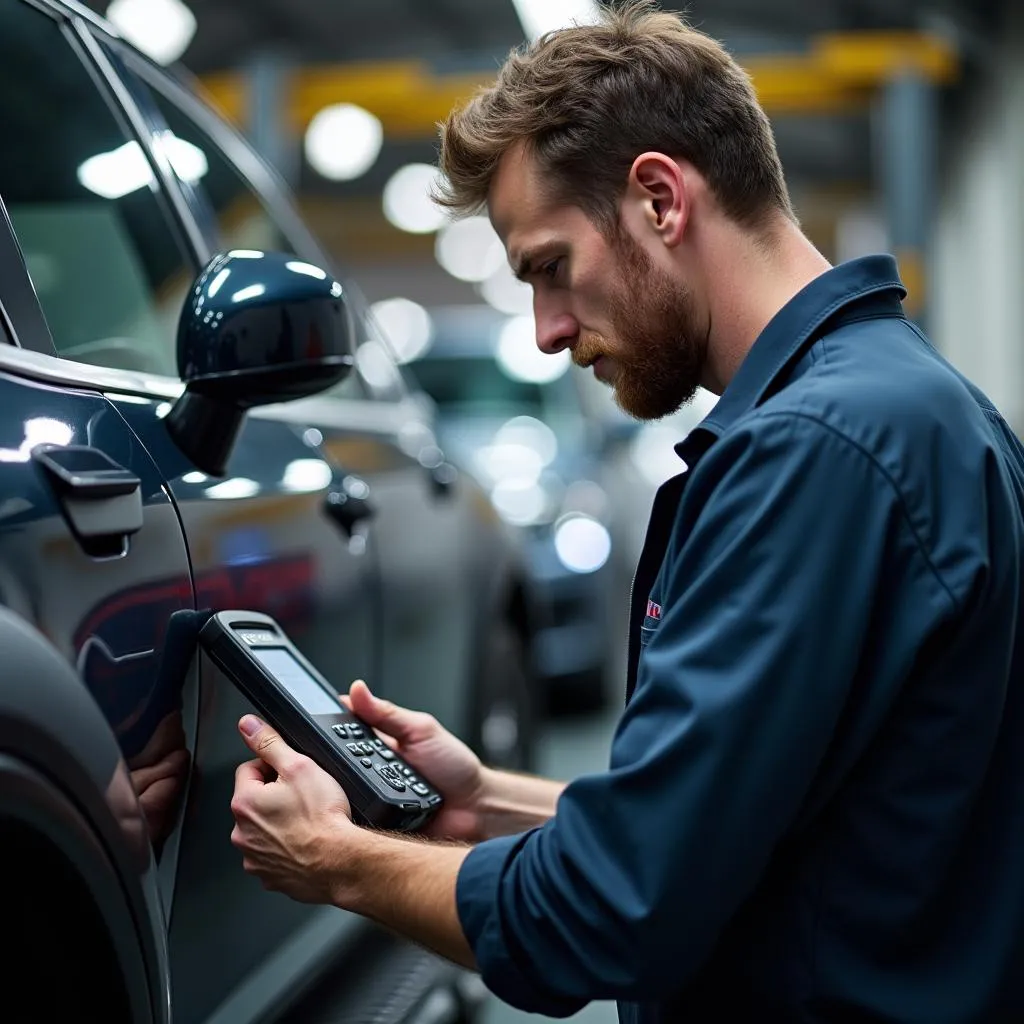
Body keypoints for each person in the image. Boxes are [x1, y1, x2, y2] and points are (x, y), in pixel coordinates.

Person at [229, 2, 1024, 1020]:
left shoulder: (813, 454)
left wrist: (337, 858)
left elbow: (607, 908)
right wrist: (483, 800)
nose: (549, 329)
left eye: (550, 268)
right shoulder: (902, 408)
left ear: (658, 198)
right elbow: (742, 821)